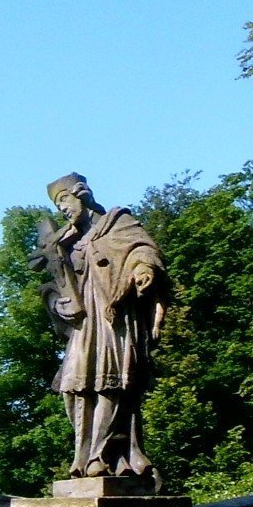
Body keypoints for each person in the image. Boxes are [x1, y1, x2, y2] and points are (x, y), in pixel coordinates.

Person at [35, 174, 170, 479]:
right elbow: (56, 285)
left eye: (64, 201)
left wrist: (143, 269)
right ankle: (84, 456)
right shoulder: (66, 242)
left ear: (81, 194)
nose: (63, 211)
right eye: (58, 206)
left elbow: (142, 249)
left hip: (115, 318)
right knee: (73, 388)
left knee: (111, 384)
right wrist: (58, 303)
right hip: (84, 326)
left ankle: (106, 457)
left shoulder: (117, 222)